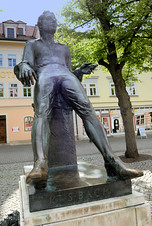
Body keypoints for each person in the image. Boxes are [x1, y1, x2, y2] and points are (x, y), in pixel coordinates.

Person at [14, 11, 143, 186]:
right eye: (47, 20)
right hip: (44, 74)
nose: (52, 22)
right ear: (40, 25)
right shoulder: (32, 44)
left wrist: (79, 72)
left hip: (66, 75)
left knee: (87, 109)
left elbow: (68, 70)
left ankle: (112, 161)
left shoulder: (63, 48)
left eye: (54, 20)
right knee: (41, 112)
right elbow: (25, 63)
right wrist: (22, 66)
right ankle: (41, 164)